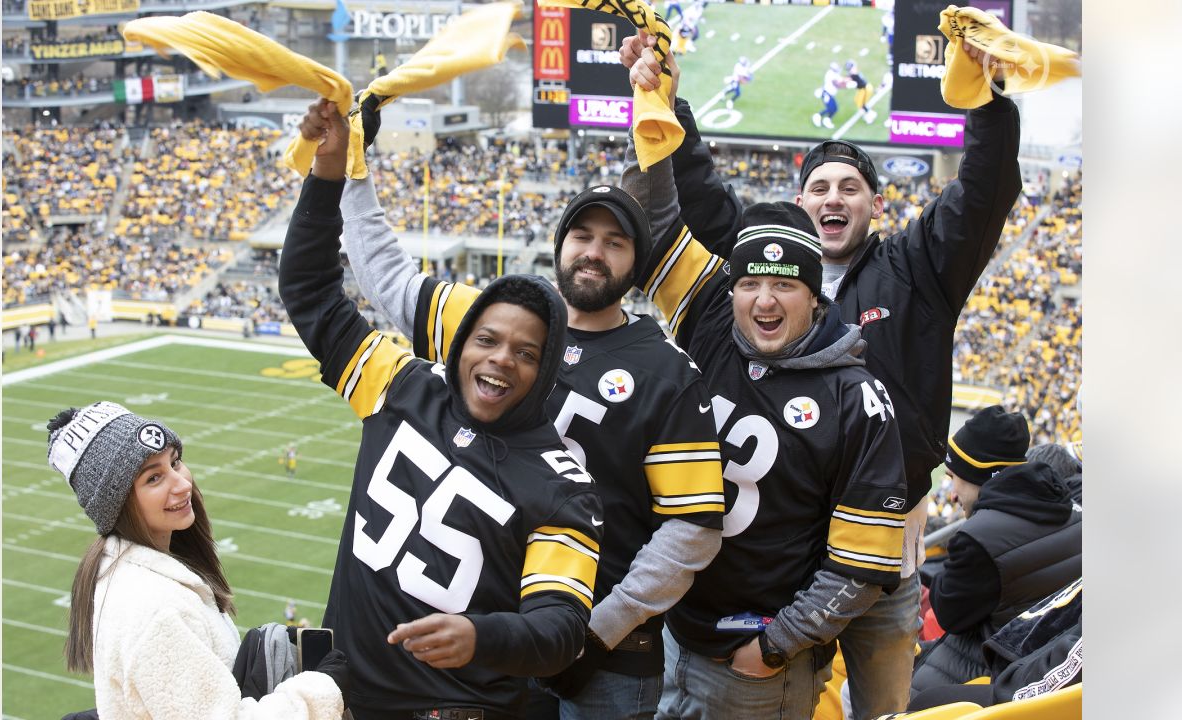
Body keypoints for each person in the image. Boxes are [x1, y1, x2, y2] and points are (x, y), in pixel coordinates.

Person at [622, 27, 1023, 719]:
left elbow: (982, 196)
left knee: (883, 705)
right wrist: (667, 102)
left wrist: (986, 106)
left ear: (874, 203)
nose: (832, 197)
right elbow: (698, 192)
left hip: (879, 549)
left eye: (849, 186)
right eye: (818, 187)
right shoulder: (763, 264)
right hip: (775, 555)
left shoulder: (916, 266)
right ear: (800, 205)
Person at [304, 93, 725, 720]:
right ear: (561, 242)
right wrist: (353, 174)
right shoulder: (494, 326)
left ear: (637, 263)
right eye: (582, 234)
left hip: (601, 654)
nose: (594, 251)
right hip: (479, 632)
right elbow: (385, 278)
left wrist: (594, 630)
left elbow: (692, 530)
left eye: (615, 242)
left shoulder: (666, 370)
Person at [279, 102, 605, 720]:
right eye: (487, 340)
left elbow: (560, 628)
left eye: (526, 351)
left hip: (457, 709)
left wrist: (483, 636)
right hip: (342, 696)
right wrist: (325, 172)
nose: (502, 359)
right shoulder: (402, 385)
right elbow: (309, 289)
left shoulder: (565, 489)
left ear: (547, 370)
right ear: (460, 346)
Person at [627, 42, 907, 719]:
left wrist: (777, 645)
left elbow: (863, 564)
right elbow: (659, 220)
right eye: (749, 282)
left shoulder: (857, 398)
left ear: (817, 297)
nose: (763, 301)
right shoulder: (712, 321)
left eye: (783, 285)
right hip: (675, 633)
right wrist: (654, 103)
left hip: (754, 671)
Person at [49, 401, 347, 719]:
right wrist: (319, 690)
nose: (182, 484)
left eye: (175, 463)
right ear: (116, 504)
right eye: (153, 478)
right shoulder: (156, 609)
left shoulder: (138, 577)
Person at [913, 406, 1082, 693]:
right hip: (1037, 657)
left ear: (979, 475)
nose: (952, 493)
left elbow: (948, 614)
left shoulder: (977, 538)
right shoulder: (1076, 512)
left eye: (954, 476)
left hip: (995, 667)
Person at [812, 62, 845, 129]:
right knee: (831, 108)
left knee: (834, 109)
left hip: (830, 94)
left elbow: (841, 80)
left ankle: (827, 119)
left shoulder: (835, 74)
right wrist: (847, 85)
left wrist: (849, 80)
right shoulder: (830, 74)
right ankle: (818, 116)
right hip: (827, 94)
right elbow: (837, 84)